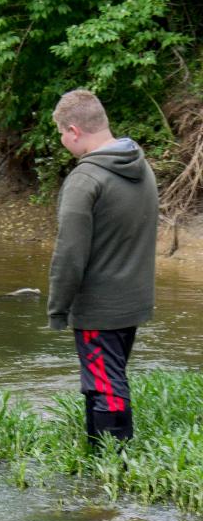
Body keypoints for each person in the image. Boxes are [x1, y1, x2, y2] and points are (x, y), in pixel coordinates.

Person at [47, 89, 158, 448]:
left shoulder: (86, 179)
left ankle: (111, 470)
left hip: (99, 308)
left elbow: (69, 253)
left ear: (74, 131)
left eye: (62, 134)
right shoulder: (138, 164)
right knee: (110, 378)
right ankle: (105, 469)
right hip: (134, 300)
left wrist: (58, 308)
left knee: (104, 387)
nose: (63, 141)